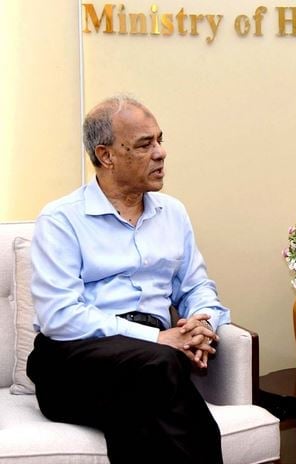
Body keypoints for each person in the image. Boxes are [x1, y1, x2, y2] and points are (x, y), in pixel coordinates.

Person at [26, 95, 230, 464]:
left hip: (151, 365)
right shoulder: (61, 220)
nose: (161, 153)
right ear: (106, 156)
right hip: (74, 362)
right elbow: (60, 317)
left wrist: (202, 323)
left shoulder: (173, 213)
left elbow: (196, 287)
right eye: (144, 144)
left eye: (160, 140)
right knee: (160, 365)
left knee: (142, 405)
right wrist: (159, 338)